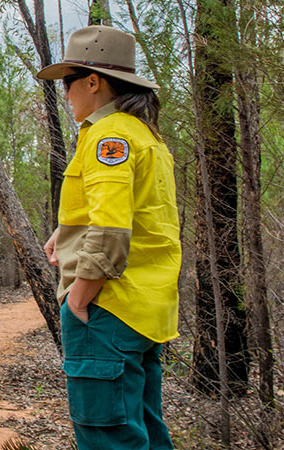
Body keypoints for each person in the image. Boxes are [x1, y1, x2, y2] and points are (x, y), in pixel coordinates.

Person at [38, 26, 181, 450]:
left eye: (69, 82)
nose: (66, 94)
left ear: (93, 82)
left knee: (108, 436)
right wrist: (65, 232)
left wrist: (80, 296)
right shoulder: (142, 133)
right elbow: (135, 211)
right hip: (145, 309)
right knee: (143, 430)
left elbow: (112, 229)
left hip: (108, 307)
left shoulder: (108, 135)